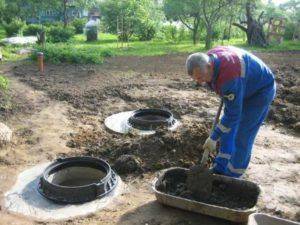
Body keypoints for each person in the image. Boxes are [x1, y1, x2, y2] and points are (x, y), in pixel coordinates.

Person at [186, 46, 276, 177]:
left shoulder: (228, 77)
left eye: (201, 77)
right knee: (227, 129)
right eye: (196, 79)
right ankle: (220, 167)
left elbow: (233, 114)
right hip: (242, 85)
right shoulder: (210, 59)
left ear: (210, 66)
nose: (200, 82)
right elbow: (230, 106)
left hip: (260, 91)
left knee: (243, 134)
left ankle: (233, 175)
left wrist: (213, 137)